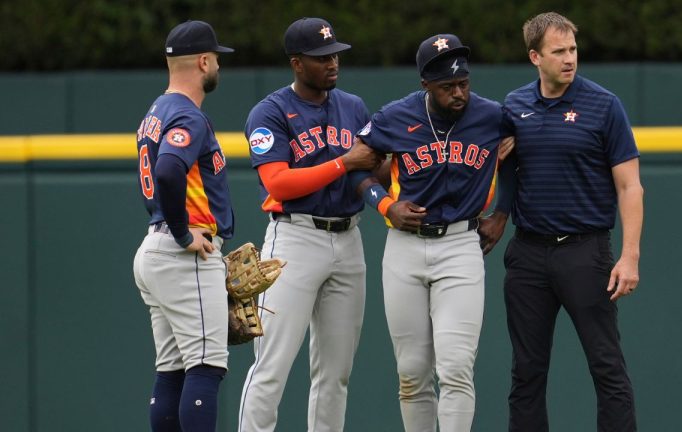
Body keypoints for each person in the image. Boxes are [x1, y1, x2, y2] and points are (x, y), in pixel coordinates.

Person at [481, 11, 644, 432]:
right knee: (527, 372)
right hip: (529, 253)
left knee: (607, 367)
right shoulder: (514, 107)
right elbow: (502, 168)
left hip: (585, 252)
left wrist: (629, 256)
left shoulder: (604, 105)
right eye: (559, 51)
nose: (569, 59)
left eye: (573, 49)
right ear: (535, 56)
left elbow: (630, 188)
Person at [356, 34, 514, 431]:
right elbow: (357, 166)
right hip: (405, 247)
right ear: (425, 85)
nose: (459, 93)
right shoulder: (395, 115)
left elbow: (520, 158)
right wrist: (384, 203)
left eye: (464, 83)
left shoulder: (492, 116)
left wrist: (503, 212)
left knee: (457, 365)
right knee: (411, 371)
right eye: (448, 87)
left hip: (462, 242)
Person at [237, 17, 380, 432]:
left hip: (348, 237)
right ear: (297, 63)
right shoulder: (270, 111)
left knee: (336, 372)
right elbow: (278, 183)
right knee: (272, 365)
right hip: (294, 238)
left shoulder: (352, 106)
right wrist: (343, 162)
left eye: (334, 54)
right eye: (321, 57)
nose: (332, 62)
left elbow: (370, 169)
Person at [132, 20, 235, 432]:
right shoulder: (187, 115)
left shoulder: (156, 110)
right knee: (206, 366)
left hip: (154, 253)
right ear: (205, 62)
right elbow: (170, 171)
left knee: (172, 370)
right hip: (182, 251)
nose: (218, 69)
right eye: (217, 61)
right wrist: (182, 232)